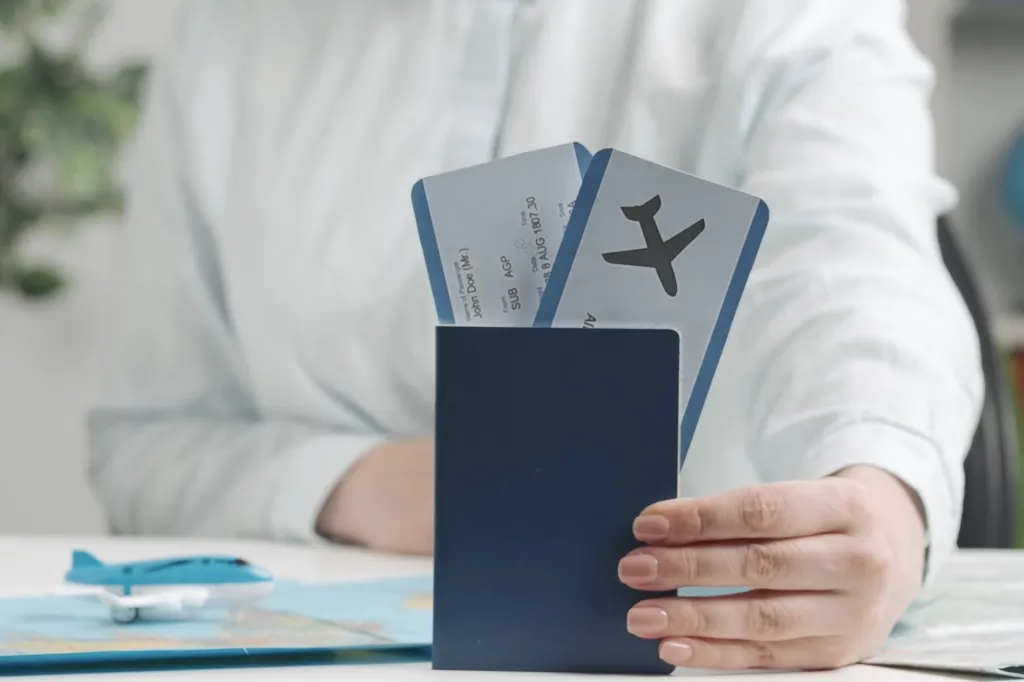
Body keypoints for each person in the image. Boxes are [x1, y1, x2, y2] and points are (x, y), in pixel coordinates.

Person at [86, 0, 983, 671]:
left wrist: (882, 499)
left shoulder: (785, 15)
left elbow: (854, 255)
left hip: (687, 644)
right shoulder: (230, 31)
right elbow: (147, 439)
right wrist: (353, 486)